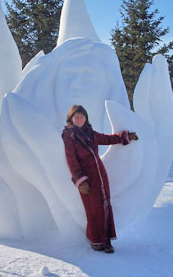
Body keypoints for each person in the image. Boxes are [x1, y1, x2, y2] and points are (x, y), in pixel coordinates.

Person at [62, 105, 138, 253]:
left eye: (82, 116)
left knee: (105, 206)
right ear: (71, 118)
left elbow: (107, 139)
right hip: (86, 177)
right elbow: (71, 159)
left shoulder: (90, 133)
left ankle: (107, 240)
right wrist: (80, 180)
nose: (79, 119)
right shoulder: (68, 135)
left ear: (86, 118)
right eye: (76, 116)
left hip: (100, 175)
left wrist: (125, 136)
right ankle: (95, 239)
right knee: (93, 208)